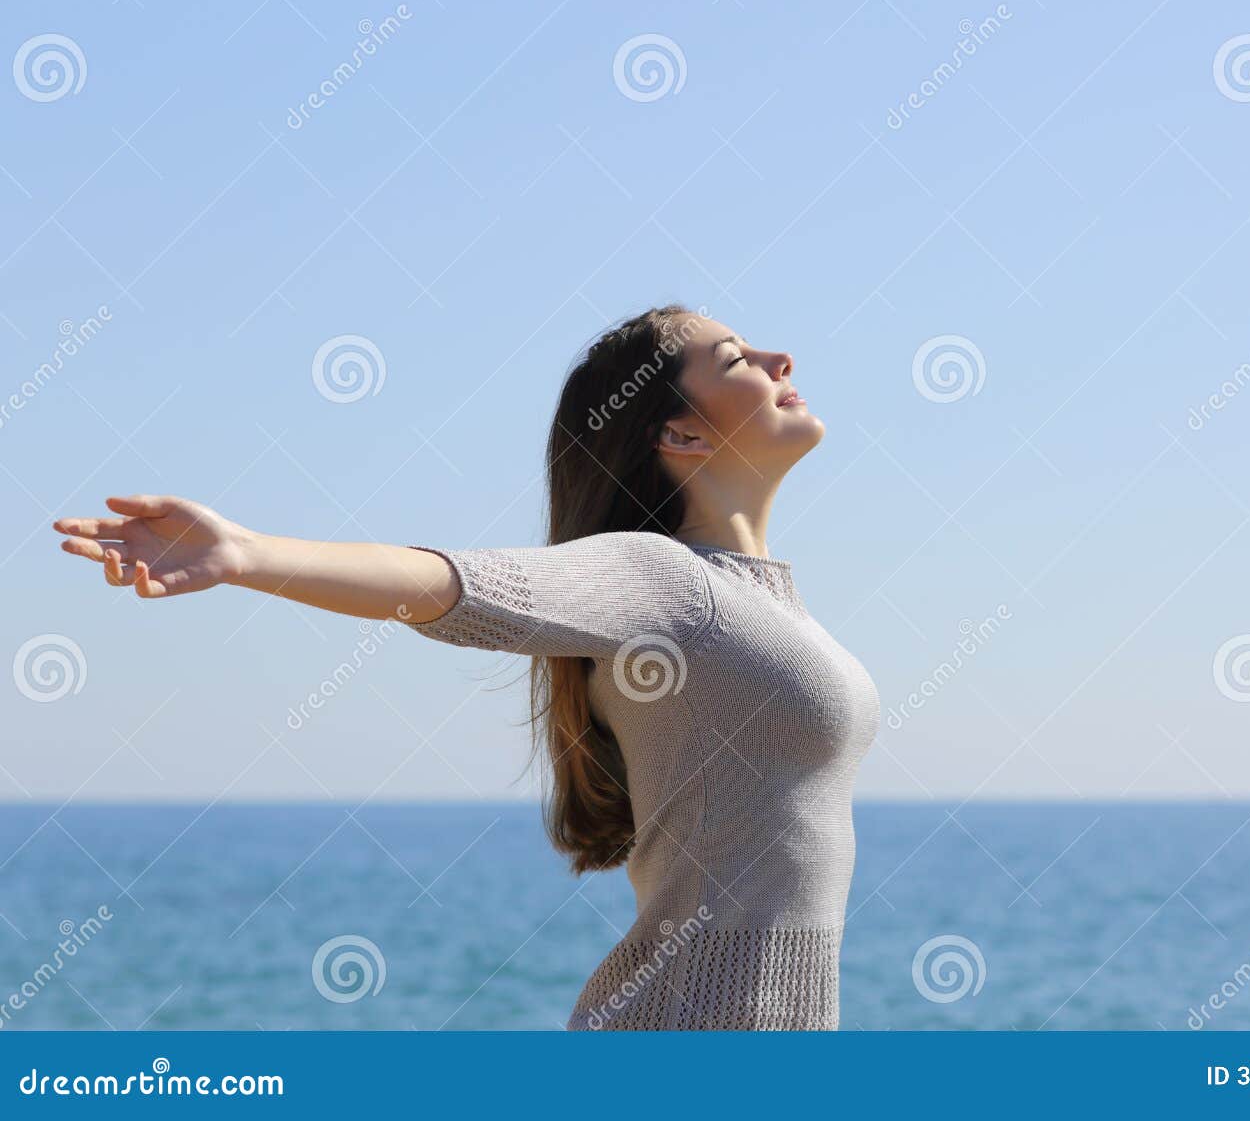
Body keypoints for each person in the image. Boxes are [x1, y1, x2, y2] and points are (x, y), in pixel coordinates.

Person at [52, 304, 881, 1030]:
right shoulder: (665, 579)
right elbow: (461, 586)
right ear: (682, 432)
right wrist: (246, 553)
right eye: (738, 359)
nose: (782, 361)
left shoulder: (766, 609)